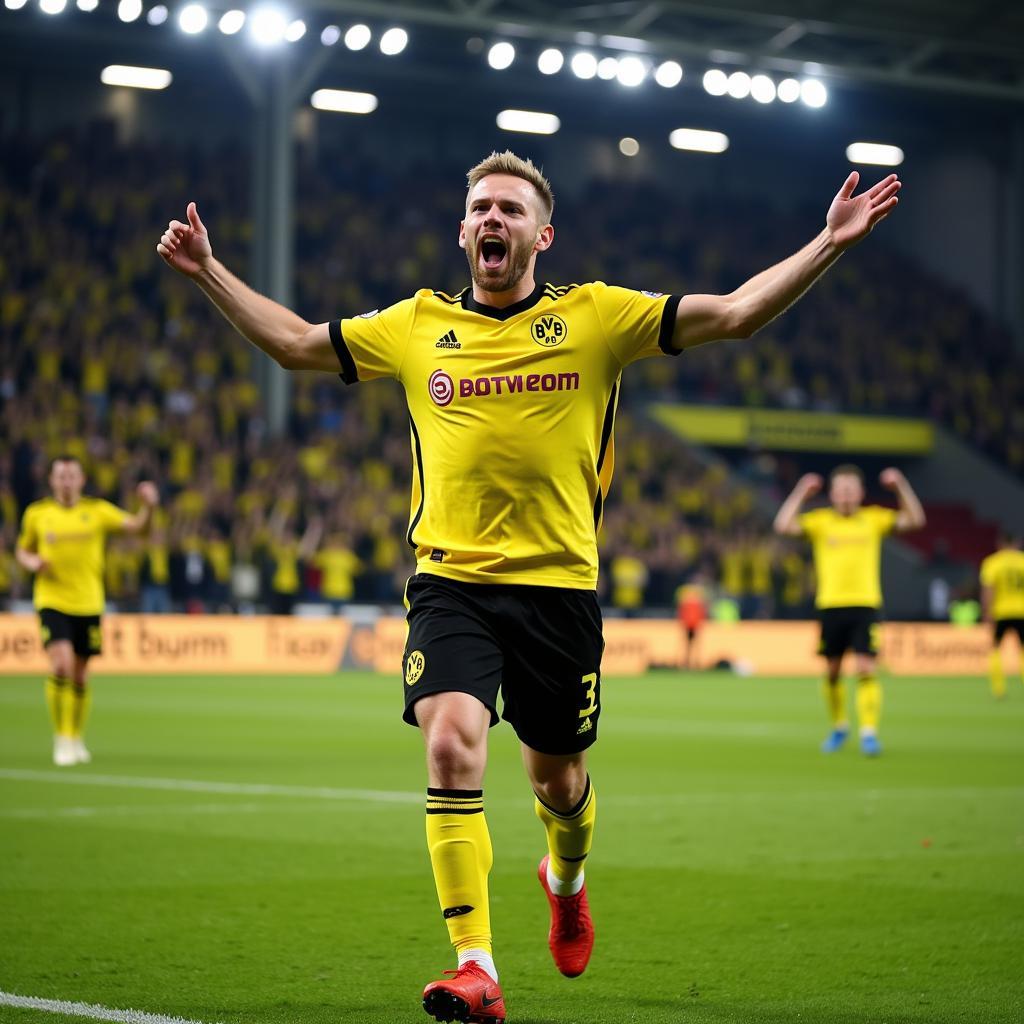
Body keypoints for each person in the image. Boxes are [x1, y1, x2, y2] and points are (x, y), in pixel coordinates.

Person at [158, 151, 900, 1022]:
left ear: (542, 234)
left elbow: (734, 314)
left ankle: (567, 877)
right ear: (463, 231)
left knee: (558, 783)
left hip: (559, 593)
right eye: (481, 209)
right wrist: (210, 270)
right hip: (451, 583)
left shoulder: (596, 318)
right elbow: (292, 343)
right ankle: (476, 965)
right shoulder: (416, 325)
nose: (494, 220)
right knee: (449, 744)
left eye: (511, 209)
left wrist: (828, 245)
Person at [15, 456, 158, 766]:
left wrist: (148, 508)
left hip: (89, 602)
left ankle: (76, 736)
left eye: (72, 476)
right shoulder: (38, 514)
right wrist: (32, 563)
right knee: (61, 665)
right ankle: (62, 737)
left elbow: (138, 529)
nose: (66, 481)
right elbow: (23, 549)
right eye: (61, 476)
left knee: (80, 675)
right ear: (52, 481)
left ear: (81, 480)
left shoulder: (96, 511)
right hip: (52, 600)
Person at [773, 465, 925, 757]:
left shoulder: (873, 519)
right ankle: (839, 726)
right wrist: (800, 494)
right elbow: (782, 526)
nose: (845, 495)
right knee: (832, 672)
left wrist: (901, 486)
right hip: (830, 605)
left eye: (850, 490)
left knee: (866, 668)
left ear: (860, 493)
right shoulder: (820, 522)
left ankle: (869, 732)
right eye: (841, 490)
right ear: (832, 494)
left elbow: (916, 520)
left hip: (865, 604)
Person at [979, 532, 1024, 699]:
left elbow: (988, 589)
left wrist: (986, 611)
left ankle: (998, 689)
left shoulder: (993, 562)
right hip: (1022, 611)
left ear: (1000, 544)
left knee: (995, 649)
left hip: (1001, 612)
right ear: (1018, 543)